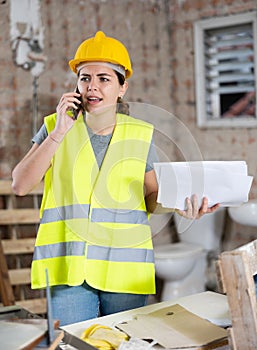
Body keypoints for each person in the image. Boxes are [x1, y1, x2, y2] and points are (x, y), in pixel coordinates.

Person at [12, 31, 219, 326]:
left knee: (127, 343)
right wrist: (59, 132)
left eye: (103, 79)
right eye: (84, 78)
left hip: (125, 267)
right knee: (71, 343)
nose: (91, 86)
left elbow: (151, 197)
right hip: (68, 264)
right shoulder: (54, 127)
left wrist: (181, 206)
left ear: (122, 87)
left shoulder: (139, 134)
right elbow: (20, 185)